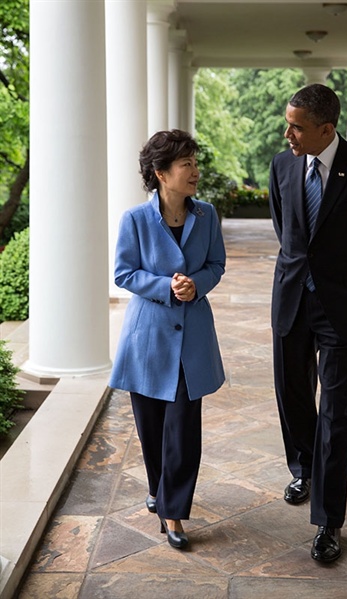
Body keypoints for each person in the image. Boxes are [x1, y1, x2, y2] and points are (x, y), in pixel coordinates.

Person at [269, 84, 347, 562]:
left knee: (336, 408)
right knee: (293, 393)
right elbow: (286, 228)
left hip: (342, 308)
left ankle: (328, 520)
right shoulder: (282, 164)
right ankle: (303, 468)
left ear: (326, 129)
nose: (288, 134)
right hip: (290, 301)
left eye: (297, 127)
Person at [109, 129, 226, 549]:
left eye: (195, 163)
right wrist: (164, 285)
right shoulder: (135, 220)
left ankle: (173, 512)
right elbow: (124, 273)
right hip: (148, 339)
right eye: (186, 164)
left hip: (191, 339)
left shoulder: (207, 215)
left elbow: (216, 264)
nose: (195, 171)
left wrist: (196, 284)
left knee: (182, 428)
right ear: (161, 173)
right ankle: (159, 489)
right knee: (152, 427)